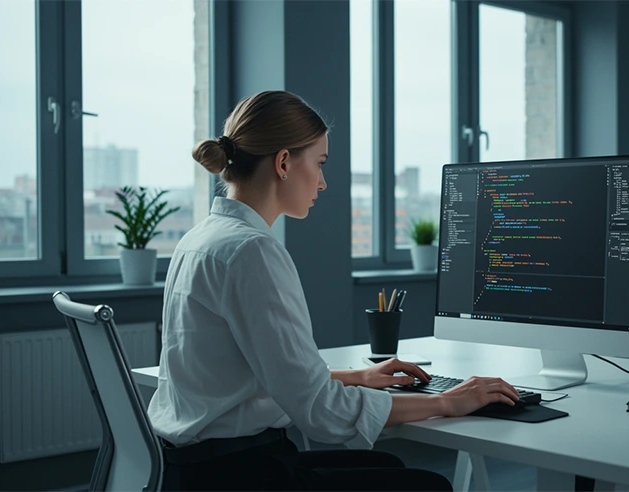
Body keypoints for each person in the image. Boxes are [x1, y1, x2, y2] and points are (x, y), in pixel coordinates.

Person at [147, 90, 521, 491]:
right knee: (428, 486)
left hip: (195, 469)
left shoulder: (201, 239)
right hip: (242, 474)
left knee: (388, 466)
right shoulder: (251, 251)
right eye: (320, 164)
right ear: (284, 163)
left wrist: (358, 376)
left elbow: (258, 374)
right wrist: (448, 401)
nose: (323, 183)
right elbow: (320, 412)